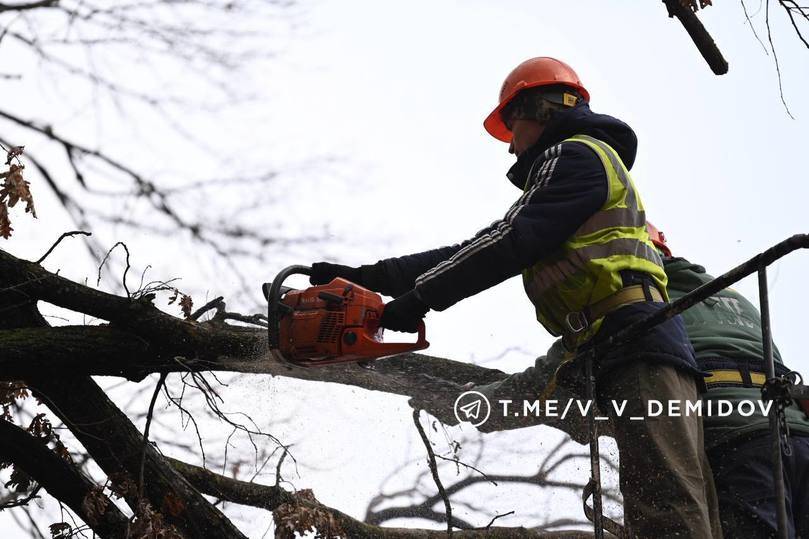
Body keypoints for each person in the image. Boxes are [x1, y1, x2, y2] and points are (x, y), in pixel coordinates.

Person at [310, 57, 721, 537]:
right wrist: (371, 277)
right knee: (671, 504)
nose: (510, 147)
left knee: (666, 510)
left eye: (512, 125)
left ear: (541, 108)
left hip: (636, 341)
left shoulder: (578, 155)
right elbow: (477, 247)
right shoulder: (567, 170)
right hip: (606, 345)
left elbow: (510, 243)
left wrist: (418, 301)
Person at [648, 223, 809, 538]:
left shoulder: (641, 297)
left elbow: (555, 378)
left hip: (737, 442)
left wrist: (520, 404)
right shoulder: (728, 292)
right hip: (798, 433)